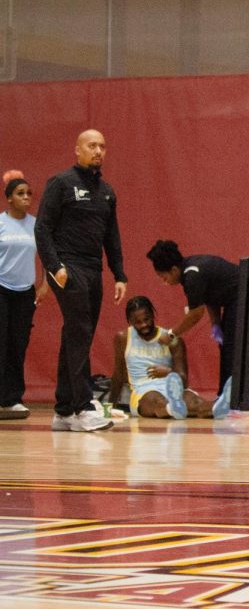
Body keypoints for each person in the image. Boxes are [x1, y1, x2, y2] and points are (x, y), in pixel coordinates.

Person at [35, 128, 126, 433]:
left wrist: (119, 274)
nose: (98, 151)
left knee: (76, 335)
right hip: (67, 267)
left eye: (102, 146)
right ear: (77, 150)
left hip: (93, 269)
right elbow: (42, 228)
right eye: (91, 145)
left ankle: (62, 411)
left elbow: (112, 237)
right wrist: (54, 267)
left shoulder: (107, 191)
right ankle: (84, 406)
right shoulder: (61, 183)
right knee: (81, 330)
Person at [107, 295, 231, 419]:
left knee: (195, 402)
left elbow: (183, 380)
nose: (144, 325)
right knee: (156, 400)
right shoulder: (123, 338)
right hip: (143, 390)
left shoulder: (172, 339)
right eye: (138, 322)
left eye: (147, 319)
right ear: (130, 321)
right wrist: (110, 405)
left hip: (173, 388)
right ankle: (173, 408)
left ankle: (217, 407)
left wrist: (168, 372)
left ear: (153, 315)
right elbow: (118, 374)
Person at [146, 239, 239, 401]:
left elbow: (196, 313)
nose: (164, 281)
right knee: (226, 348)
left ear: (174, 269)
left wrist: (171, 334)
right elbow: (211, 297)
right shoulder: (189, 270)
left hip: (243, 296)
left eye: (164, 276)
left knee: (231, 349)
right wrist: (216, 324)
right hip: (233, 299)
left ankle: (229, 398)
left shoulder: (193, 275)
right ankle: (225, 395)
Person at [0, 174, 51, 418]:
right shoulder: (0, 223)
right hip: (1, 288)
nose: (26, 197)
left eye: (29, 193)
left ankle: (11, 399)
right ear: (9, 198)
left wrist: (44, 285)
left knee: (17, 345)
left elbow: (46, 256)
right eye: (20, 193)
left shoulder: (36, 225)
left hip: (24, 292)